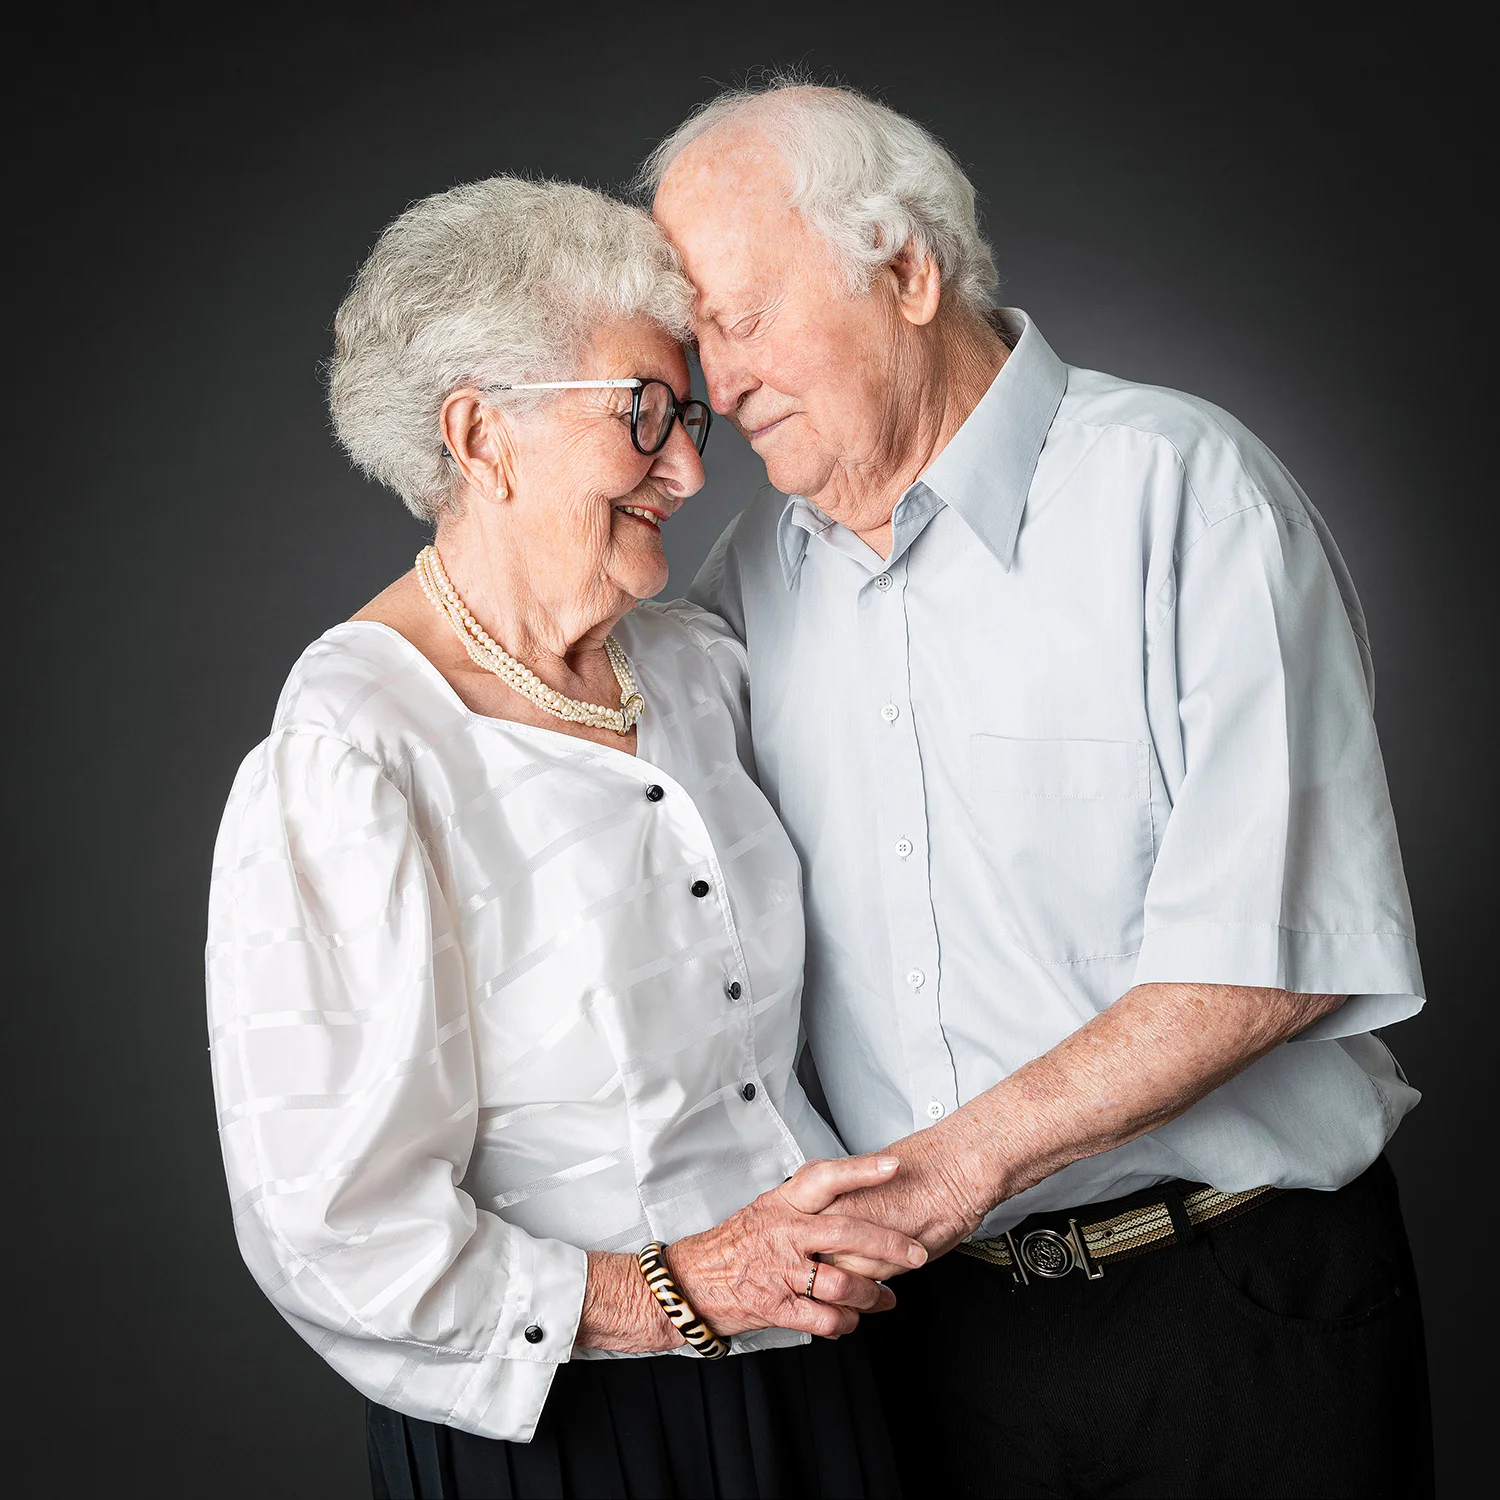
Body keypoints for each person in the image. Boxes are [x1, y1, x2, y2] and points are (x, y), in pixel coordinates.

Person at [645, 80, 1434, 1497]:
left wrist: (949, 1171)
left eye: (741, 314)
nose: (714, 377)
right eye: (694, 333)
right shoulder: (751, 584)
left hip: (1229, 1302)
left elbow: (1273, 956)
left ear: (906, 268)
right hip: (932, 1347)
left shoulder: (1186, 493)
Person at [205, 175, 918, 1500]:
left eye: (692, 416)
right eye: (644, 413)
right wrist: (677, 1292)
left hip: (816, 1377)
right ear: (482, 436)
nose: (695, 469)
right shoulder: (356, 751)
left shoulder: (694, 666)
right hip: (581, 1429)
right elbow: (332, 1231)